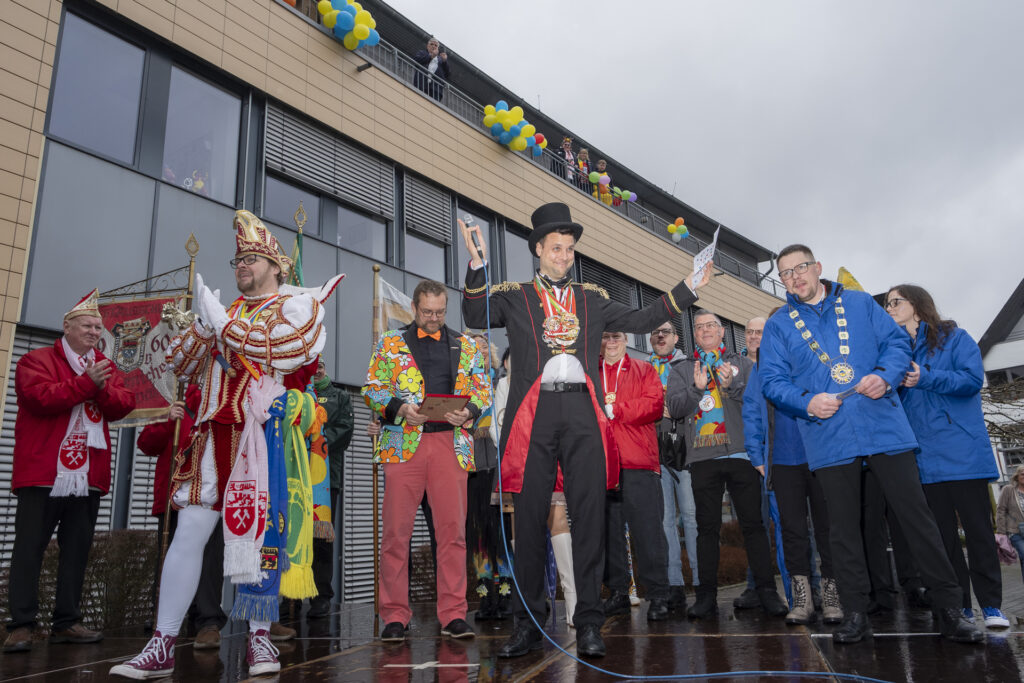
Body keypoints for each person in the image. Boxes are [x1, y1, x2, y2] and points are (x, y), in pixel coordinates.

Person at [460, 201, 710, 658]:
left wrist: (688, 286)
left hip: (582, 411)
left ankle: (590, 621)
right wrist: (477, 265)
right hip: (533, 413)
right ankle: (527, 623)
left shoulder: (591, 298)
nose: (564, 256)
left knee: (590, 515)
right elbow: (475, 316)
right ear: (538, 249)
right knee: (529, 519)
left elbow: (640, 319)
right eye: (556, 248)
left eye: (569, 249)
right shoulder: (515, 295)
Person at [112, 210, 342, 678]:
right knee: (188, 534)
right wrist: (202, 326)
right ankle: (162, 643)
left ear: (276, 266)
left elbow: (285, 349)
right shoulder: (226, 312)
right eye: (238, 259)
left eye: (251, 258)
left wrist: (222, 324)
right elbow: (180, 365)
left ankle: (260, 638)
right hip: (213, 433)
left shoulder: (296, 307)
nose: (241, 266)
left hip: (261, 439)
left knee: (262, 538)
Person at [758, 244, 981, 644]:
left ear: (817, 267)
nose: (795, 277)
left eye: (801, 268)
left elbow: (896, 344)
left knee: (916, 517)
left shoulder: (860, 304)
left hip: (882, 426)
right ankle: (856, 613)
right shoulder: (778, 326)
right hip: (828, 434)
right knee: (842, 529)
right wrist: (807, 402)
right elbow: (772, 381)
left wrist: (885, 375)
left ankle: (950, 609)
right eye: (786, 273)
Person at [3, 290, 135, 654]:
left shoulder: (104, 366)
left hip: (87, 475)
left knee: (77, 550)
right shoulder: (36, 359)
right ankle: (21, 625)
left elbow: (123, 404)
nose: (94, 332)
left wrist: (98, 386)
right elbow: (39, 398)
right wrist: (86, 383)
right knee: (29, 547)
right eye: (87, 325)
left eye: (98, 327)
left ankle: (66, 621)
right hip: (43, 472)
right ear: (67, 327)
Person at [362, 280, 492, 642]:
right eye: (427, 312)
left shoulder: (466, 345)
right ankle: (394, 616)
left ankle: (453, 614)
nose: (433, 318)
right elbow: (372, 389)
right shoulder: (390, 343)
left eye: (440, 312)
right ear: (414, 308)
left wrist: (469, 412)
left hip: (450, 444)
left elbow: (483, 390)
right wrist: (399, 408)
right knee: (395, 534)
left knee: (453, 534)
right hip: (403, 444)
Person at [885, 284, 1007, 629]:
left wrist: (925, 377)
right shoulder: (894, 349)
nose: (889, 308)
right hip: (923, 459)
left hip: (962, 453)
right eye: (887, 304)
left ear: (916, 304)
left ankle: (992, 607)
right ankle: (959, 606)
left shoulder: (955, 338)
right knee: (941, 540)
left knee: (979, 534)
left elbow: (971, 380)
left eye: (895, 302)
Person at [666, 310, 787, 620]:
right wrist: (696, 389)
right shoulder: (682, 369)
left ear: (722, 332)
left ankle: (767, 592)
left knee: (754, 526)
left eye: (711, 325)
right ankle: (706, 597)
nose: (705, 330)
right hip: (702, 458)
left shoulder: (744, 364)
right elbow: (675, 408)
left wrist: (732, 385)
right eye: (699, 327)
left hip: (741, 455)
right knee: (706, 529)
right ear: (694, 334)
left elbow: (760, 402)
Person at [743, 315, 841, 626]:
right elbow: (751, 409)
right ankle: (802, 599)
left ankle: (832, 596)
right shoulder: (763, 365)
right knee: (792, 530)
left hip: (820, 455)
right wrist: (756, 453)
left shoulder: (814, 355)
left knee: (827, 527)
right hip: (783, 459)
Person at [137, 384, 228, 649]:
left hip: (210, 494)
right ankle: (167, 623)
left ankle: (208, 621)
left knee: (211, 559)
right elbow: (147, 444)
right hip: (174, 493)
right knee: (170, 558)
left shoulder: (223, 398)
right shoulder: (170, 398)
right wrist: (167, 420)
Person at [599, 331, 671, 622]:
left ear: (626, 340)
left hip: (638, 462)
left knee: (648, 533)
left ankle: (658, 594)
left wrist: (616, 409)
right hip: (603, 466)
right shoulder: (590, 372)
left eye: (616, 336)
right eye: (606, 337)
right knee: (609, 534)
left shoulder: (644, 369)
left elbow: (654, 405)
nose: (611, 342)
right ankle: (618, 592)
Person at [648, 321, 698, 612]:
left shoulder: (689, 365)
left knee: (691, 517)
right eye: (655, 332)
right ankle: (674, 585)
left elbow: (698, 400)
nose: (660, 335)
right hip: (654, 452)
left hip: (685, 451)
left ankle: (702, 584)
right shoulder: (644, 369)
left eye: (665, 332)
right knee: (665, 520)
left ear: (676, 337)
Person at [464, 333, 512, 621]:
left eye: (483, 345)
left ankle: (506, 592)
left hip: (499, 465)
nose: (478, 349)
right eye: (472, 346)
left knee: (501, 531)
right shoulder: (461, 385)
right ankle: (485, 595)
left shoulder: (502, 383)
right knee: (477, 533)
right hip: (470, 468)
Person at [308, 358, 355, 619]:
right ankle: (290, 594)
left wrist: (316, 441)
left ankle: (321, 596)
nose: (316, 371)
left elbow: (345, 430)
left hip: (326, 478)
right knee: (293, 536)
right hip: (296, 476)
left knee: (321, 538)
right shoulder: (296, 393)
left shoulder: (340, 396)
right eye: (312, 367)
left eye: (320, 367)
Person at [996, 466, 1024, 584]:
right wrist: (1001, 532)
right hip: (1015, 531)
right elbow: (1001, 510)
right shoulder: (1008, 489)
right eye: (1022, 474)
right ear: (1017, 476)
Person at [412, 37, 450, 101]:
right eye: (432, 44)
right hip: (422, 84)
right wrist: (431, 56)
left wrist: (444, 62)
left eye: (436, 45)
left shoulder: (440, 59)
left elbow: (447, 74)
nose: (433, 46)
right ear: (427, 46)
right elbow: (416, 60)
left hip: (436, 89)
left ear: (437, 48)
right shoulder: (422, 53)